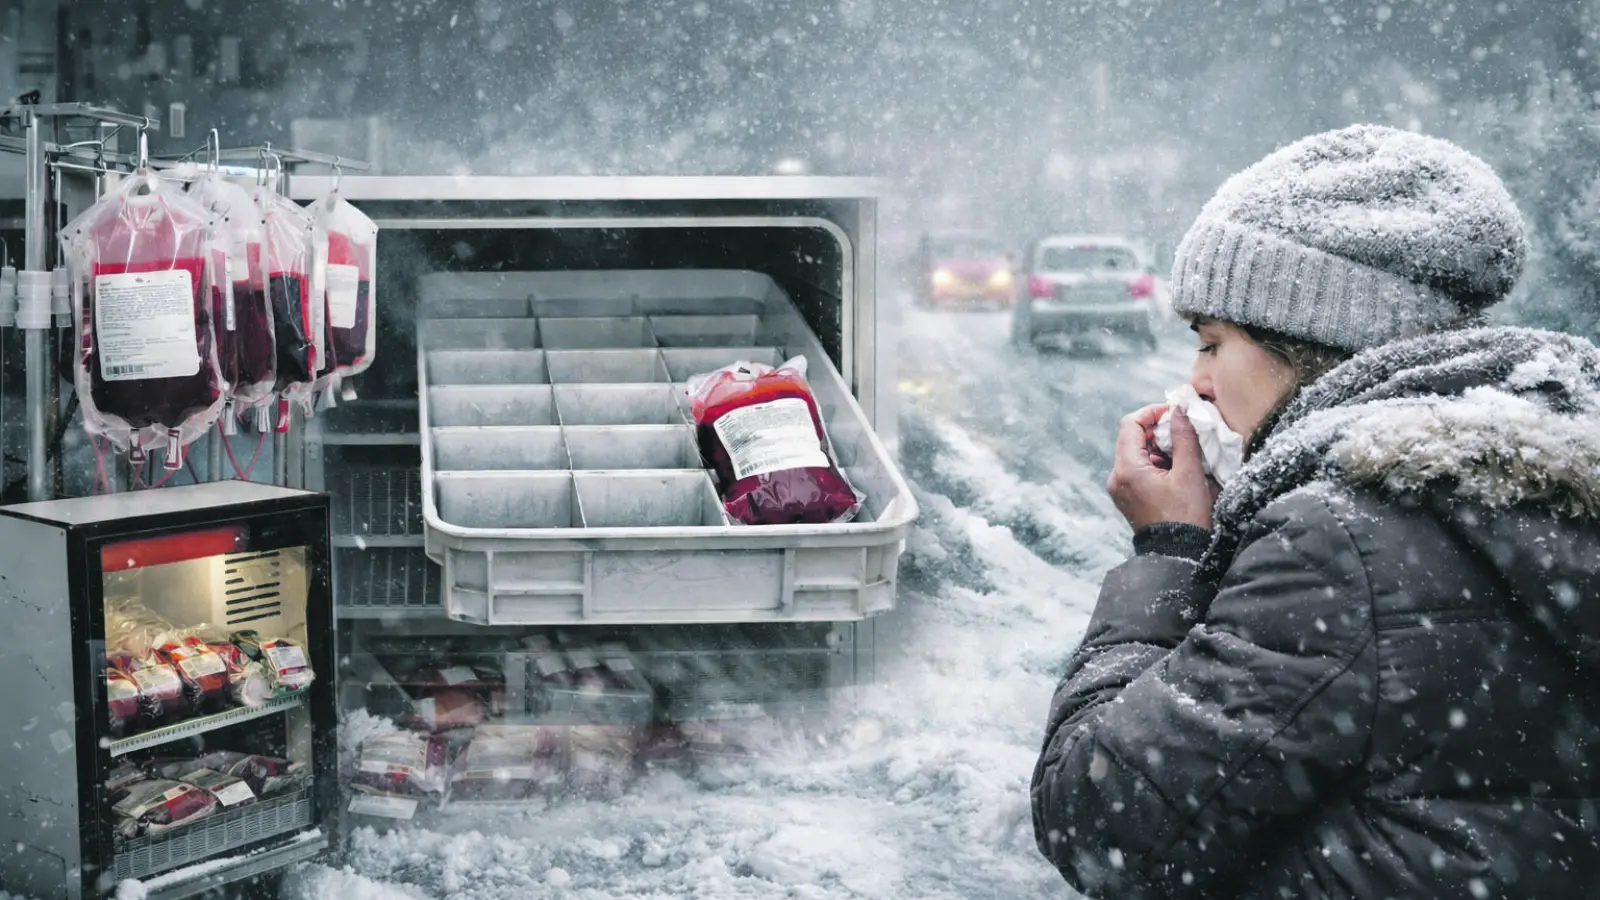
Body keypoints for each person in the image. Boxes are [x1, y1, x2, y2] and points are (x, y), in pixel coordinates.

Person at [1030, 124, 1600, 899]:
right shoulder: (1529, 484)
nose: (1196, 380)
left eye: (1211, 342)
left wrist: (1169, 550)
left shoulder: (1338, 541)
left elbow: (1098, 826)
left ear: (1306, 338)